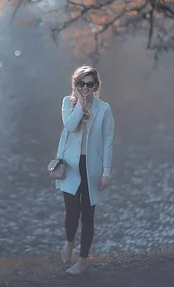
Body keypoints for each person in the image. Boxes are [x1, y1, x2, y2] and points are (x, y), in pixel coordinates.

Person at [54, 65, 115, 275]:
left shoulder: (104, 109)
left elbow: (108, 141)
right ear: (76, 84)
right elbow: (70, 126)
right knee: (71, 213)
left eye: (90, 84)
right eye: (81, 83)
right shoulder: (67, 103)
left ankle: (82, 261)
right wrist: (80, 104)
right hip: (70, 166)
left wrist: (106, 171)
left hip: (93, 168)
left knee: (88, 215)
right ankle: (69, 243)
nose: (86, 87)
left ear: (96, 86)